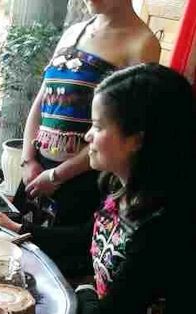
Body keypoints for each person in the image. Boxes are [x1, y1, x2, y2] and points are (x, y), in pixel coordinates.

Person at [0, 63, 193, 314]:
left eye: (97, 127)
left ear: (137, 140)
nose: (87, 137)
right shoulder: (118, 187)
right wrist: (19, 229)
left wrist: (81, 289)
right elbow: (87, 238)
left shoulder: (164, 224)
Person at [12, 0, 160, 236]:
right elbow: (41, 100)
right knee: (14, 242)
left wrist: (57, 176)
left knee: (57, 253)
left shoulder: (142, 43)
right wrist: (28, 160)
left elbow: (120, 129)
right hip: (37, 170)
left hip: (81, 181)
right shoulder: (73, 32)